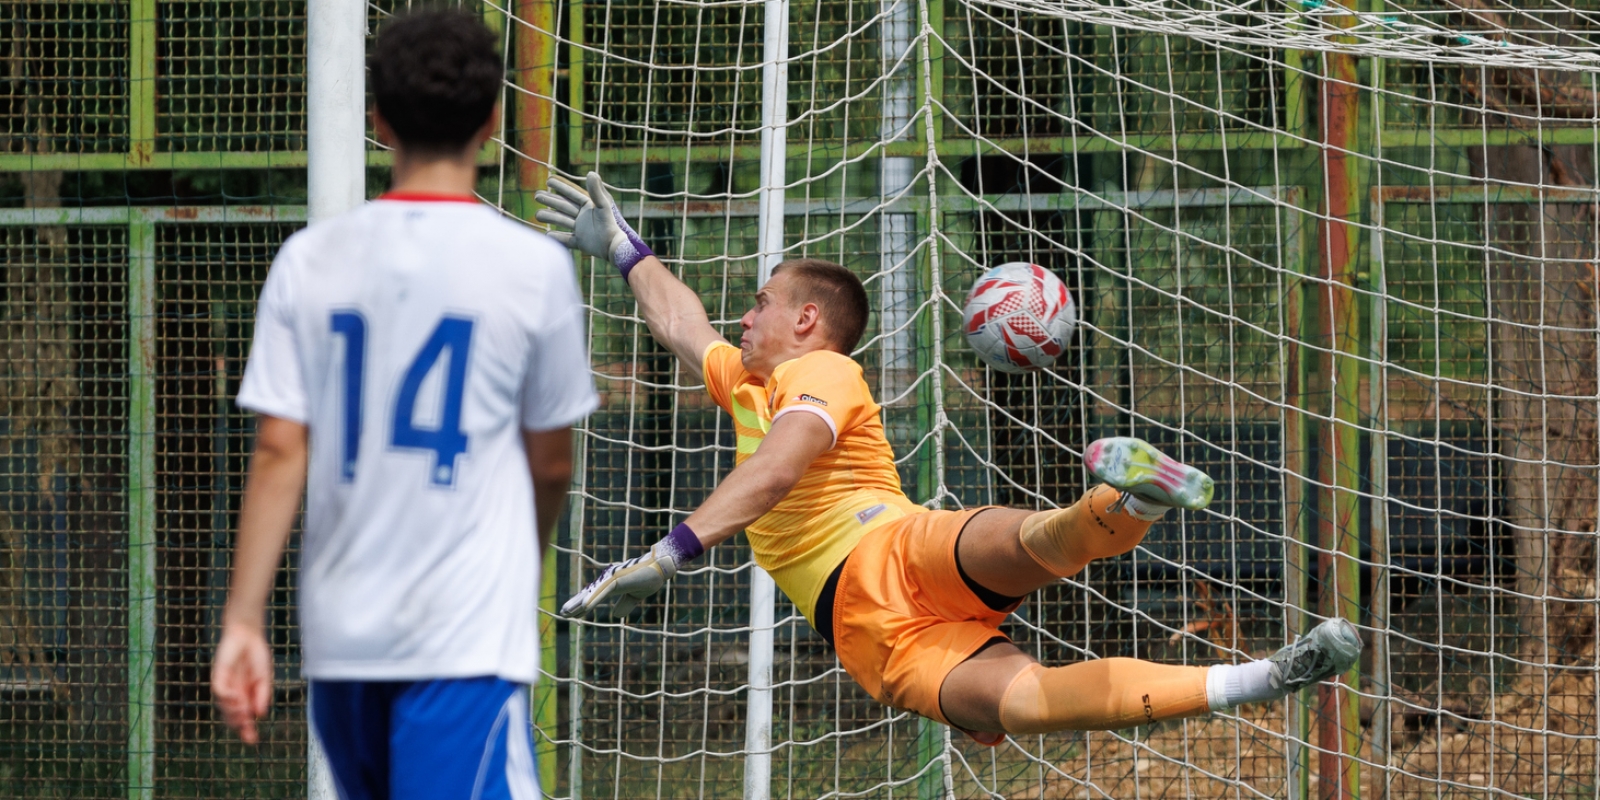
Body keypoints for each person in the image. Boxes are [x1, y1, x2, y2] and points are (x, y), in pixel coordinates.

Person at [535, 173, 1360, 744]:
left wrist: (674, 550)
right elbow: (682, 325)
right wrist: (624, 251)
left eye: (761, 304)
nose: (743, 320)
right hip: (872, 628)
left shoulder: (819, 373)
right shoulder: (747, 383)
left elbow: (779, 471)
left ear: (809, 323)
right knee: (1029, 699)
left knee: (1035, 562)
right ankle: (1260, 671)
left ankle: (1130, 504)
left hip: (886, 551)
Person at [211, 10, 596, 798]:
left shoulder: (308, 260)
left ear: (377, 118)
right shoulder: (531, 269)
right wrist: (515, 563)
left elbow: (281, 448)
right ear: (493, 120)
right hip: (459, 637)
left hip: (343, 637)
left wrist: (245, 618)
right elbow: (551, 462)